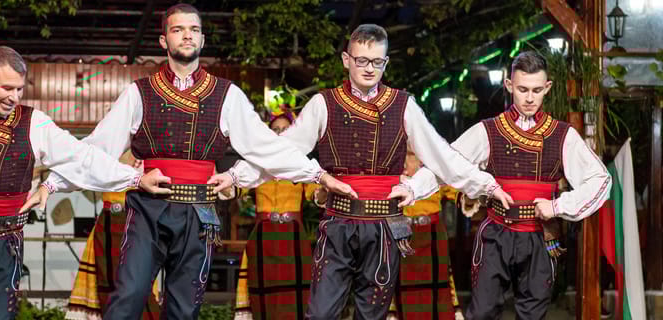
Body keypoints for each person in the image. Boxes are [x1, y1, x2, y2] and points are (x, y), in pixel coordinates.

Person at [40, 4, 355, 319]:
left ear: (202, 39)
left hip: (199, 212)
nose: (186, 35)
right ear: (164, 41)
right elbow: (98, 147)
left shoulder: (226, 95)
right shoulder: (139, 93)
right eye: (177, 30)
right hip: (149, 208)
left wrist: (317, 174)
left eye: (193, 30)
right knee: (129, 296)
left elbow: (266, 147)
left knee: (184, 309)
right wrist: (53, 182)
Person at [231, 24, 513, 320]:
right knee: (321, 313)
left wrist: (486, 185)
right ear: (346, 59)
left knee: (372, 316)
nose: (369, 68)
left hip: (384, 226)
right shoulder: (324, 104)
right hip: (339, 223)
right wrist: (237, 176)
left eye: (377, 62)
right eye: (362, 60)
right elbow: (283, 150)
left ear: (385, 62)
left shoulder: (404, 106)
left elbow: (442, 156)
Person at [0, 46, 169, 320]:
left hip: (4, 245)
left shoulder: (33, 123)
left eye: (19, 89)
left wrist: (135, 178)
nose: (14, 97)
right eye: (7, 88)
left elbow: (82, 157)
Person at [411, 51, 612, 319]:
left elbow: (601, 180)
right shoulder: (488, 130)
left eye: (537, 90)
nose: (529, 98)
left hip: (541, 237)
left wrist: (558, 206)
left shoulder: (562, 135)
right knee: (481, 313)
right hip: (496, 235)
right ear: (509, 85)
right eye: (522, 89)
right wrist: (413, 188)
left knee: (532, 315)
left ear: (548, 88)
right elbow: (445, 163)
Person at [232, 110, 321, 320]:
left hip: (293, 238)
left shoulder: (303, 165)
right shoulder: (256, 166)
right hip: (263, 238)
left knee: (295, 296)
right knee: (262, 293)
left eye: (286, 130)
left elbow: (317, 195)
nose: (281, 134)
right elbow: (235, 188)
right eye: (276, 130)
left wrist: (328, 186)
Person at [65, 151, 161, 320]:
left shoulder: (152, 148)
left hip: (140, 221)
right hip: (110, 222)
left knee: (137, 287)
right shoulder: (111, 143)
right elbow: (79, 162)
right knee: (108, 285)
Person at [386, 147, 464, 320]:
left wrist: (472, 194)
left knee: (437, 282)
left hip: (431, 228)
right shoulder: (390, 165)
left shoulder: (433, 168)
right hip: (400, 226)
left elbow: (456, 192)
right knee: (400, 281)